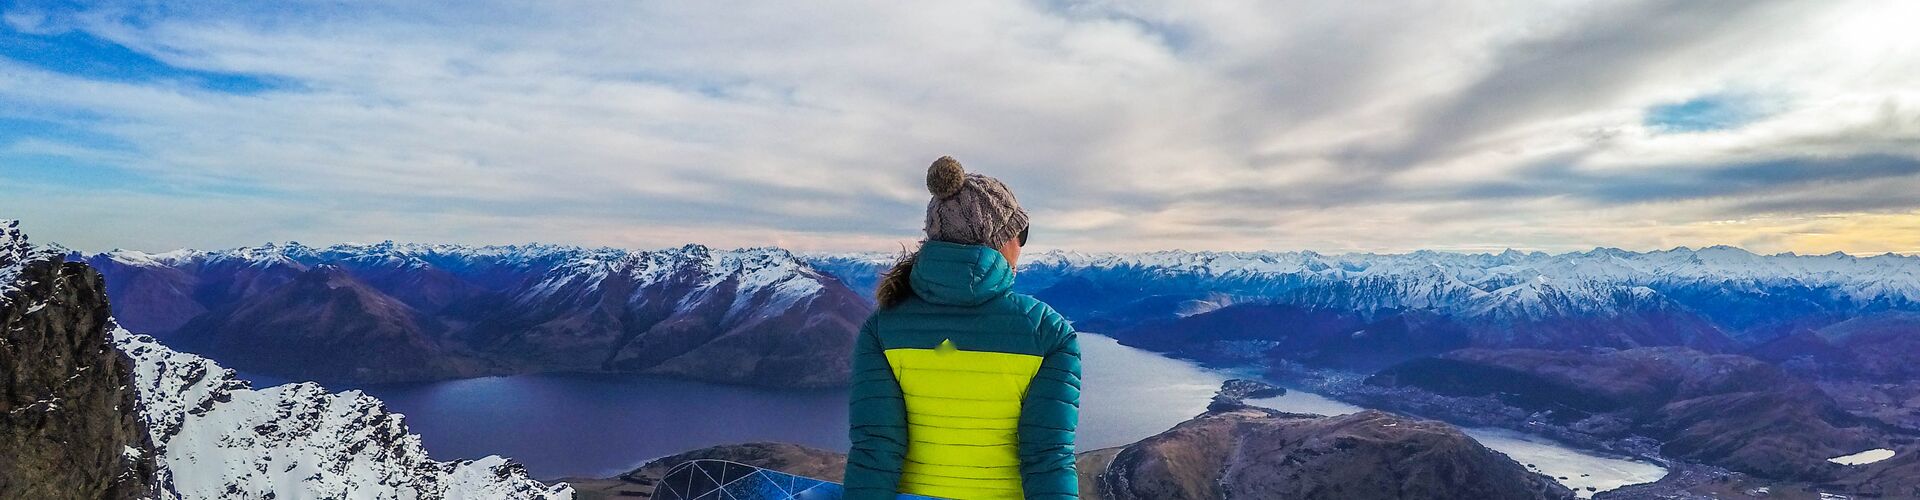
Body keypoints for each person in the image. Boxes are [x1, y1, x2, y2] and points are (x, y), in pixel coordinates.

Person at [844, 156, 1081, 500]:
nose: (1022, 247)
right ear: (999, 240)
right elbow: (1048, 458)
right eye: (1021, 233)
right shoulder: (1049, 334)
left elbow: (875, 451)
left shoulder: (882, 329)